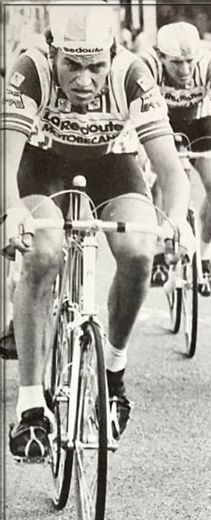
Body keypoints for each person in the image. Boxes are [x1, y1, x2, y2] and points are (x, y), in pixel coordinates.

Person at [2, 4, 192, 459]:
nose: (84, 80)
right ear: (53, 54)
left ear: (113, 53)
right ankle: (31, 408)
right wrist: (12, 212)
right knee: (43, 253)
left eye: (95, 66)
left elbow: (171, 172)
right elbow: (6, 162)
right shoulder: (30, 69)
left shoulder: (133, 75)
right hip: (42, 165)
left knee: (140, 250)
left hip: (111, 163)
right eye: (72, 65)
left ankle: (114, 368)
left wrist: (180, 218)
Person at [142, 21, 211, 296]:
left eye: (189, 61)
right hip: (161, 123)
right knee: (160, 180)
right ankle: (160, 250)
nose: (184, 71)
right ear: (160, 56)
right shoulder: (147, 65)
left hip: (200, 123)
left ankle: (203, 257)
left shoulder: (209, 65)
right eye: (176, 63)